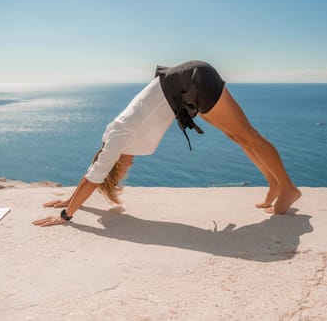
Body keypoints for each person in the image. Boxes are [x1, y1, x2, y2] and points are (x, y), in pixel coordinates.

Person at [33, 61, 301, 227]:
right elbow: (95, 170)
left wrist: (67, 213)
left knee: (247, 134)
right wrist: (70, 197)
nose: (130, 164)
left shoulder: (117, 139)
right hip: (185, 87)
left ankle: (287, 187)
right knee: (238, 135)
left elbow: (94, 174)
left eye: (124, 168)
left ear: (116, 162)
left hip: (191, 82)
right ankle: (274, 184)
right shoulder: (114, 136)